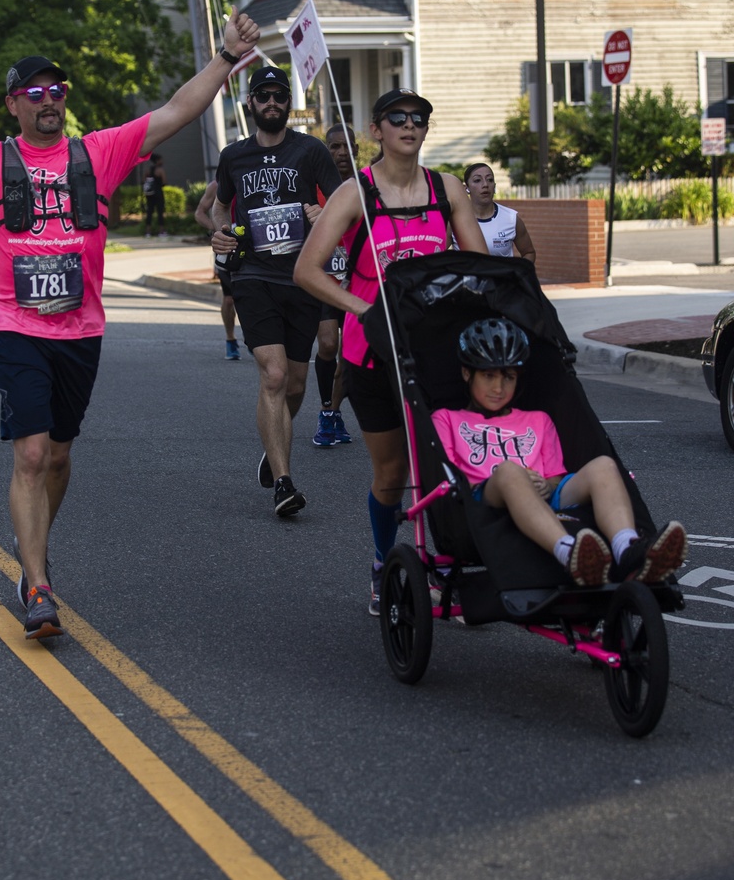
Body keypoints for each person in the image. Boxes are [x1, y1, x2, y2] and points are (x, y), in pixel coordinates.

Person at [0, 4, 260, 641]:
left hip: (82, 329)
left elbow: (176, 111)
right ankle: (36, 584)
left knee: (58, 456)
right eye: (34, 93)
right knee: (31, 454)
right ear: (13, 105)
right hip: (14, 325)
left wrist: (226, 58)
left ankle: (32, 543)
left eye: (56, 91)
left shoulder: (99, 153)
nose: (48, 100)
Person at [294, 87, 487, 613]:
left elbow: (481, 266)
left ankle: (444, 556)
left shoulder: (447, 189)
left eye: (419, 118)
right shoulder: (355, 193)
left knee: (449, 459)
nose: (409, 125)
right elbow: (306, 271)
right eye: (396, 118)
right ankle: (384, 562)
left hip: (436, 350)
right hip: (371, 352)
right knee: (393, 473)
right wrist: (362, 310)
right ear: (376, 130)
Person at [433, 317, 687, 585]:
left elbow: (556, 475)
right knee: (509, 472)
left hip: (545, 499)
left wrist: (545, 484)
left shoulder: (538, 420)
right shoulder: (447, 419)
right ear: (466, 373)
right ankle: (569, 553)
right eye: (488, 376)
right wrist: (513, 480)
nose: (498, 388)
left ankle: (627, 549)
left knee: (603, 465)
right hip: (485, 500)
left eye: (508, 377)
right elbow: (448, 475)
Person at [211, 65, 342, 518]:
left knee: (297, 382)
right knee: (273, 374)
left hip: (303, 276)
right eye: (263, 96)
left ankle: (275, 444)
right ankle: (284, 483)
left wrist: (320, 215)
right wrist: (220, 232)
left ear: (289, 103)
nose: (271, 103)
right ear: (250, 104)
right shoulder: (233, 156)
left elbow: (344, 203)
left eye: (278, 96)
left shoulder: (309, 150)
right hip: (253, 276)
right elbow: (218, 207)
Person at [312, 122, 356, 449]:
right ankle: (326, 410)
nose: (341, 152)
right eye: (334, 147)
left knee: (351, 353)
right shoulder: (314, 186)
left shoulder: (366, 184)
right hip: (326, 277)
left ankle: (334, 411)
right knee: (328, 345)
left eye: (346, 146)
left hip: (359, 280)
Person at [194, 180, 240, 359]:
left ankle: (257, 339)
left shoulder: (253, 176)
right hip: (226, 249)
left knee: (252, 294)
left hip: (251, 246)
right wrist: (217, 229)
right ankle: (230, 339)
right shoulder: (216, 186)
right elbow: (199, 213)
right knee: (229, 299)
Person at [462, 162, 536, 263]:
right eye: (477, 180)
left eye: (490, 180)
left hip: (502, 278)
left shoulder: (511, 218)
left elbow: (529, 253)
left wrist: (519, 275)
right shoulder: (455, 220)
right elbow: (437, 252)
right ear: (466, 188)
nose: (485, 185)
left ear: (494, 186)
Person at [143, 152, 167, 238]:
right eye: (160, 160)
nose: (162, 161)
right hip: (158, 193)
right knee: (160, 212)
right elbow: (164, 182)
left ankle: (148, 232)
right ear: (157, 161)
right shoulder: (160, 170)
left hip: (149, 194)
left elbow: (144, 181)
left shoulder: (148, 170)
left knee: (149, 212)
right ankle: (161, 231)